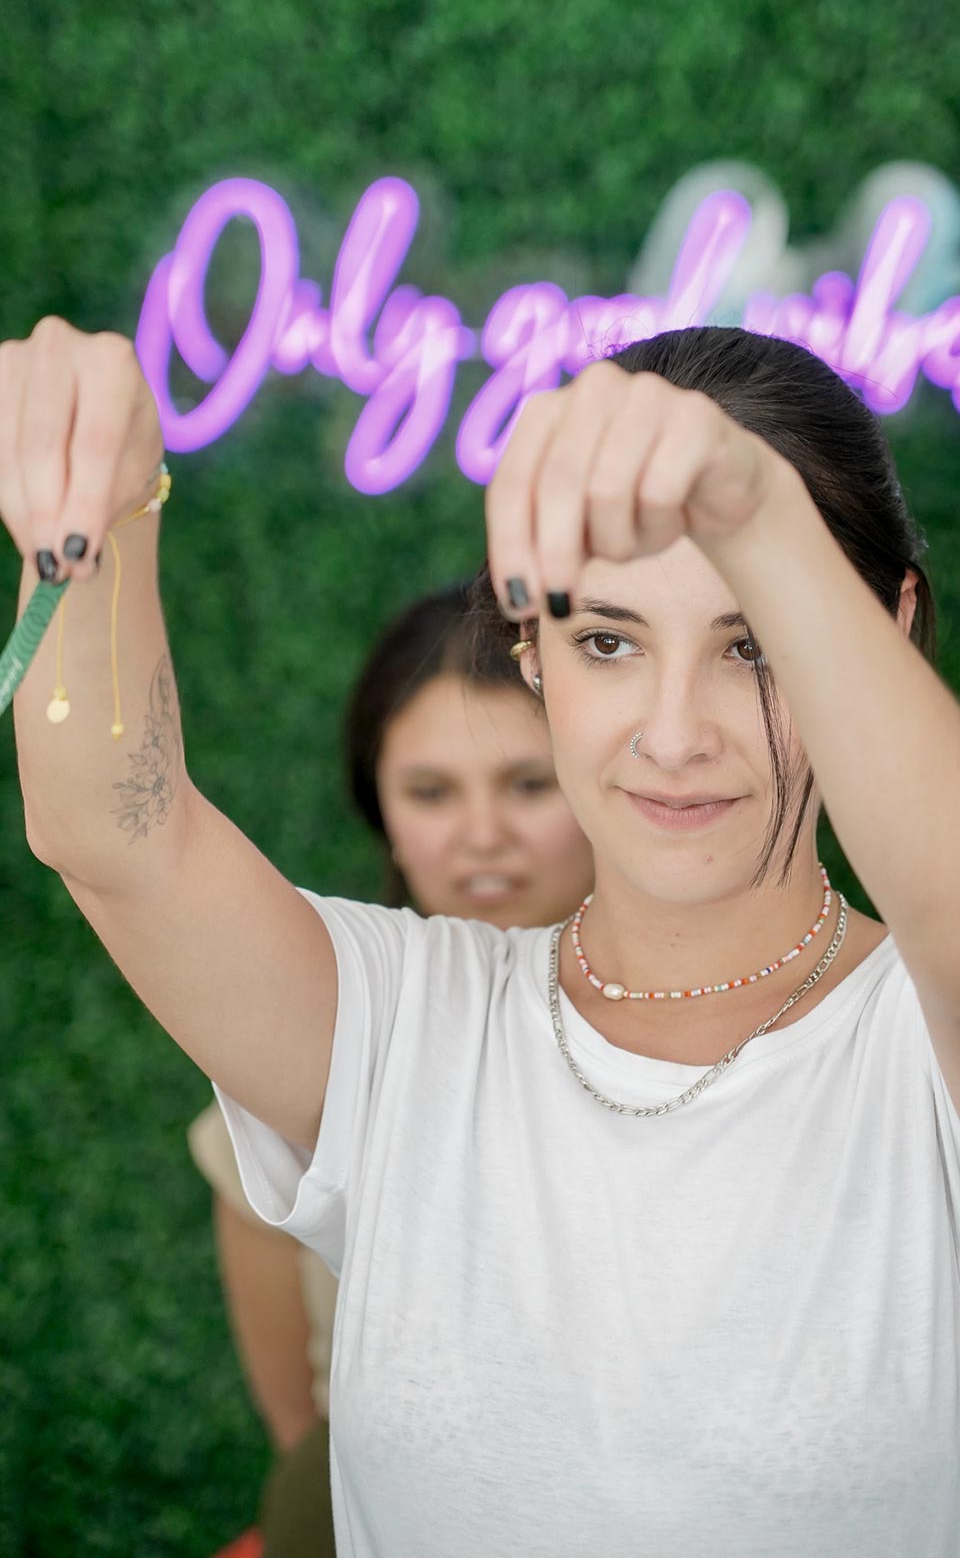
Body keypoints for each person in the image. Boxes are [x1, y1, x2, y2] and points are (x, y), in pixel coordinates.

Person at [2, 317, 960, 1558]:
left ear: (889, 624)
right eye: (608, 642)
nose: (676, 736)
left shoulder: (930, 1049)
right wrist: (102, 509)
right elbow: (113, 835)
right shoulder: (399, 1029)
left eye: (756, 643)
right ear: (530, 649)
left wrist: (757, 509)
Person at [189, 583, 595, 1557]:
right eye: (431, 792)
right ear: (380, 806)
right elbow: (305, 1436)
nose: (482, 834)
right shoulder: (288, 1060)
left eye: (529, 783)